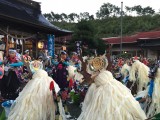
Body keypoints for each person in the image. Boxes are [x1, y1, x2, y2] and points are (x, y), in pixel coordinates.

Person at [77, 56, 147, 120]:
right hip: (112, 89)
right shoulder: (102, 73)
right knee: (111, 107)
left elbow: (89, 81)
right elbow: (88, 81)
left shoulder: (99, 74)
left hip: (109, 90)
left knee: (112, 107)